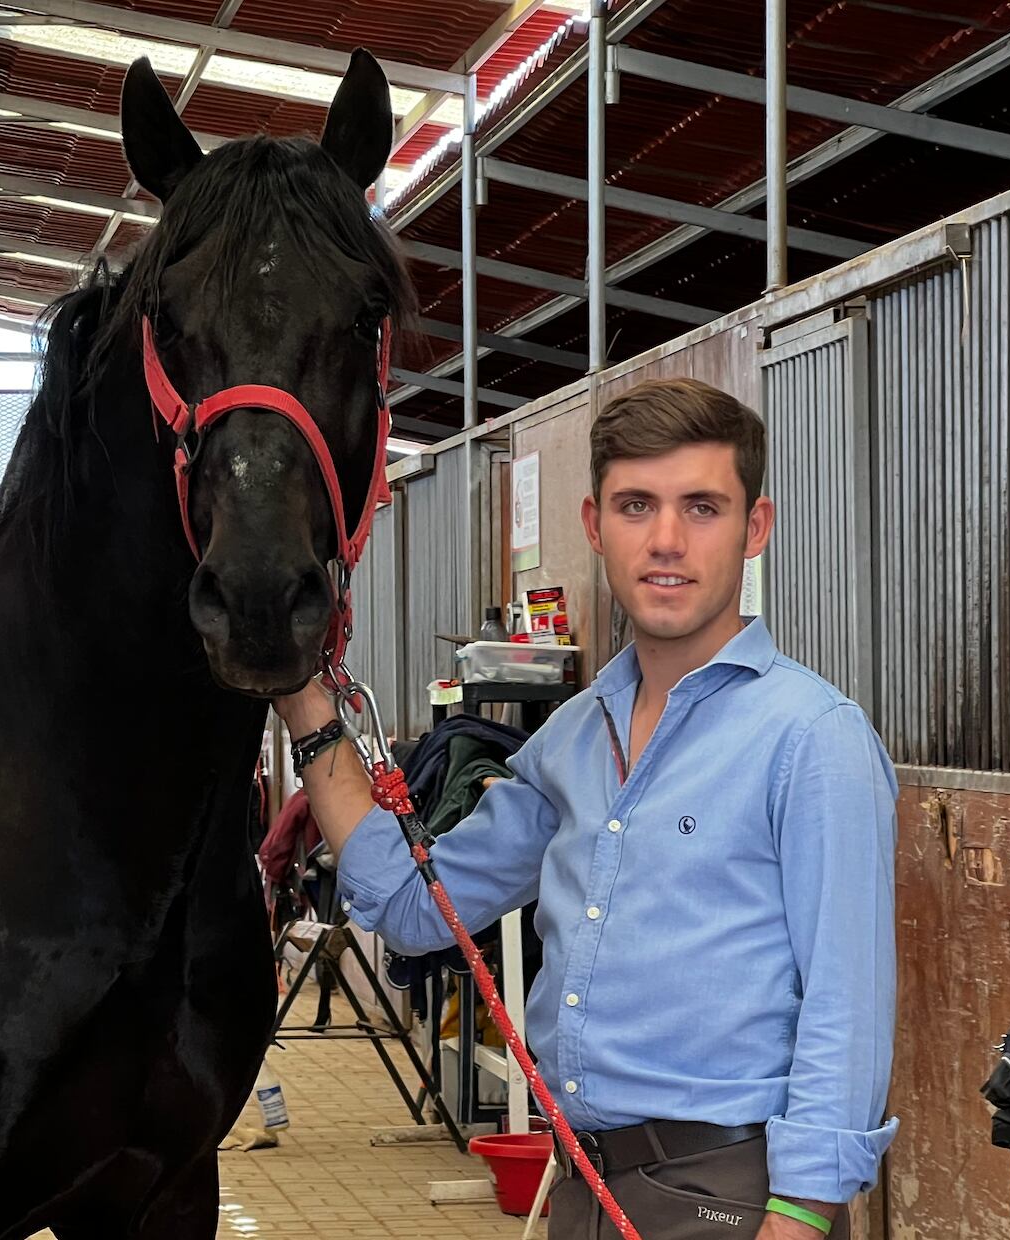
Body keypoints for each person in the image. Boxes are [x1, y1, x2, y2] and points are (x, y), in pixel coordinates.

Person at [277, 378, 899, 1240]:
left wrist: (801, 1215)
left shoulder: (812, 738)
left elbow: (848, 1002)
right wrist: (304, 702)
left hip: (730, 1197)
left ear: (755, 528)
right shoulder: (571, 739)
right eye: (637, 505)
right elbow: (416, 906)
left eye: (703, 507)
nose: (667, 540)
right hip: (584, 1188)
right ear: (594, 526)